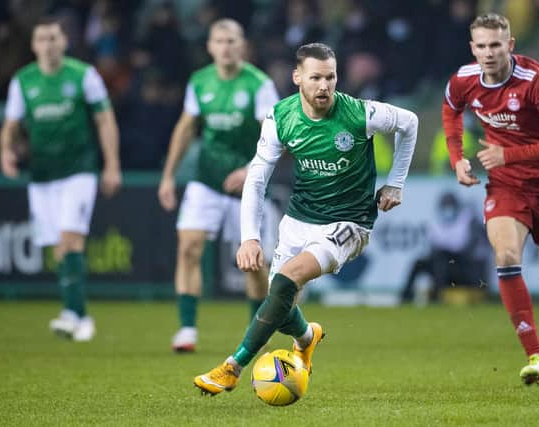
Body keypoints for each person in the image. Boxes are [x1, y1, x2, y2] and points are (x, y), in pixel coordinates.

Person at [193, 42, 418, 396]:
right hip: (299, 219)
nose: (324, 86)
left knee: (285, 280)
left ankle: (232, 367)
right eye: (315, 78)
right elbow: (256, 178)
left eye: (331, 77)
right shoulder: (280, 117)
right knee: (281, 305)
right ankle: (307, 336)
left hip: (349, 223)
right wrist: (249, 237)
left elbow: (410, 123)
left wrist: (396, 184)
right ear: (298, 77)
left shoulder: (360, 113)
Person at [442, 13, 539, 386]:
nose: (489, 53)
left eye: (496, 44)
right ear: (472, 48)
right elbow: (451, 110)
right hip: (506, 186)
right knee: (505, 256)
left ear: (510, 44)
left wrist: (508, 155)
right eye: (482, 46)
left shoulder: (537, 82)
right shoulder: (463, 80)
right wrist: (457, 158)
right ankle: (537, 357)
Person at [157, 19, 280, 353]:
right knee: (188, 247)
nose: (226, 47)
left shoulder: (259, 85)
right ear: (210, 46)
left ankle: (258, 332)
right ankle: (186, 330)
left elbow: (275, 138)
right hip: (206, 181)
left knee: (254, 263)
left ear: (242, 46)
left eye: (232, 41)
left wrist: (249, 169)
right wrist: (168, 175)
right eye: (220, 41)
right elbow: (185, 128)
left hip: (247, 187)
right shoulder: (200, 82)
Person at [0, 16, 121, 341]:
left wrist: (111, 164)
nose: (49, 44)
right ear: (34, 44)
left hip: (78, 171)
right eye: (43, 39)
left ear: (64, 42)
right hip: (42, 174)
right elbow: (11, 125)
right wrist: (6, 153)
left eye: (54, 38)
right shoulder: (23, 81)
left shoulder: (83, 75)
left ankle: (79, 317)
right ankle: (73, 312)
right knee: (58, 249)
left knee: (70, 239)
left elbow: (105, 119)